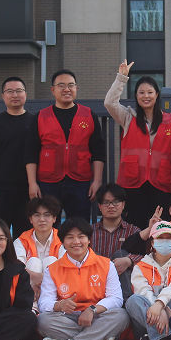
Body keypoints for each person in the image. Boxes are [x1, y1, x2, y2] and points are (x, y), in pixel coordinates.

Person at [104, 63, 171, 228]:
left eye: (150, 92)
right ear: (136, 95)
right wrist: (121, 78)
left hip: (161, 184)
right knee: (134, 229)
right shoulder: (128, 117)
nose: (146, 96)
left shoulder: (170, 121)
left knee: (160, 229)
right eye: (141, 92)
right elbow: (110, 103)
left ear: (157, 94)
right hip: (132, 185)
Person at [36, 219, 129, 340]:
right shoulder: (52, 269)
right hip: (67, 318)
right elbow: (44, 303)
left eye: (81, 237)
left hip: (96, 317)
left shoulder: (106, 265)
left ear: (89, 240)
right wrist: (60, 305)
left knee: (121, 315)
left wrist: (92, 309)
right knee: (42, 320)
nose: (76, 242)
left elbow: (116, 298)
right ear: (62, 242)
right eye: (70, 237)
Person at [27, 69, 105, 224]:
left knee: (79, 225)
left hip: (80, 181)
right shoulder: (41, 117)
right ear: (53, 90)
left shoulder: (88, 115)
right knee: (48, 225)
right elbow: (31, 152)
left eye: (71, 85)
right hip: (48, 182)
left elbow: (98, 150)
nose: (66, 89)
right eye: (61, 85)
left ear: (76, 88)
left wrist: (97, 181)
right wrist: (32, 183)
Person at [0, 76, 35, 237]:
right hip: (0, 189)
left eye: (19, 91)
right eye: (10, 91)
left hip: (27, 189)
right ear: (3, 96)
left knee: (25, 236)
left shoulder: (35, 121)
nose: (15, 95)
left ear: (26, 94)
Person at [91, 183, 152, 298]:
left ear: (123, 205)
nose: (111, 206)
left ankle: (125, 301)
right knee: (94, 256)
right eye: (106, 202)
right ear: (99, 206)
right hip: (94, 283)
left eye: (115, 202)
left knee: (122, 254)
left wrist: (130, 261)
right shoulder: (89, 232)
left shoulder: (134, 231)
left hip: (123, 284)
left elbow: (148, 258)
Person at [10, 194, 64, 301]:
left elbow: (67, 267)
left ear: (54, 218)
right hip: (29, 290)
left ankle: (50, 302)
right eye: (37, 215)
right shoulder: (22, 240)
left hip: (56, 291)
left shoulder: (62, 239)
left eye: (46, 215)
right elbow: (15, 266)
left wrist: (44, 279)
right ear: (30, 219)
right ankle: (32, 304)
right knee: (33, 262)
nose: (42, 219)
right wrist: (34, 276)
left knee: (51, 261)